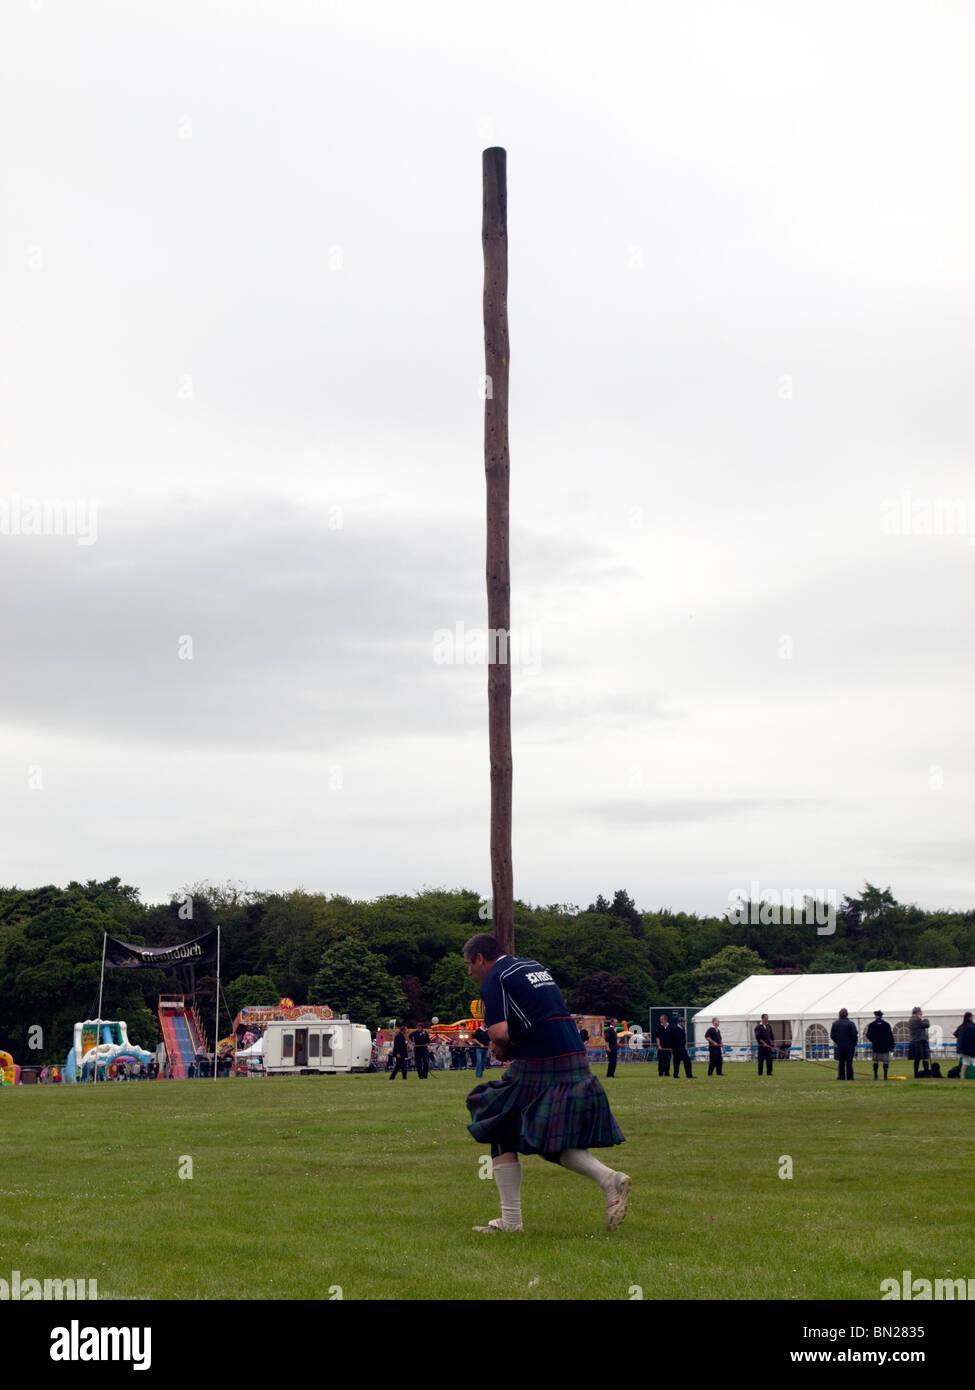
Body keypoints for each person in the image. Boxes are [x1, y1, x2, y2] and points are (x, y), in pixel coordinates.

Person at [462, 934, 629, 1234]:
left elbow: (499, 1034)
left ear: (479, 959)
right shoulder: (533, 967)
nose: (469, 972)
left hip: (542, 1062)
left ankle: (511, 1223)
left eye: (468, 965)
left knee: (494, 1121)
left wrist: (503, 1050)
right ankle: (609, 1179)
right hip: (573, 1058)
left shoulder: (494, 978)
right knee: (546, 1138)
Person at [865, 1010, 895, 1081]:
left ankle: (875, 1076)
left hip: (876, 1045)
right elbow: (890, 1036)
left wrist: (873, 1040)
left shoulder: (872, 1025)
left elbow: (868, 1035)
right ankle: (885, 1076)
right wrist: (892, 1045)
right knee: (885, 1061)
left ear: (875, 1016)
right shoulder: (886, 1024)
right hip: (885, 1045)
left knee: (875, 1061)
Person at [830, 1007, 858, 1080]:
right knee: (849, 1062)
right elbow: (854, 1035)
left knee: (841, 1062)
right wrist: (853, 1043)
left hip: (840, 1045)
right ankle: (850, 1076)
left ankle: (841, 1076)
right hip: (849, 1045)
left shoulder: (835, 1023)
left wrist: (838, 1041)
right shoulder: (851, 1024)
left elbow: (832, 1035)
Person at [908, 1007, 931, 1078]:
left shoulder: (910, 1019)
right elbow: (926, 1025)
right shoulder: (917, 1019)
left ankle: (916, 1074)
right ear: (918, 1012)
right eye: (921, 1011)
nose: (922, 1012)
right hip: (921, 1041)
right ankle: (926, 1074)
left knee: (916, 1059)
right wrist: (926, 1020)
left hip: (914, 1041)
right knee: (925, 1058)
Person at [953, 1011, 975, 1078]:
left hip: (962, 1048)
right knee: (974, 1062)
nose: (973, 1018)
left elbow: (956, 1034)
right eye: (972, 1016)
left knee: (965, 1062)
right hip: (970, 1048)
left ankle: (962, 1076)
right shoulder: (973, 1026)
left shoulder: (961, 1026)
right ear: (970, 1018)